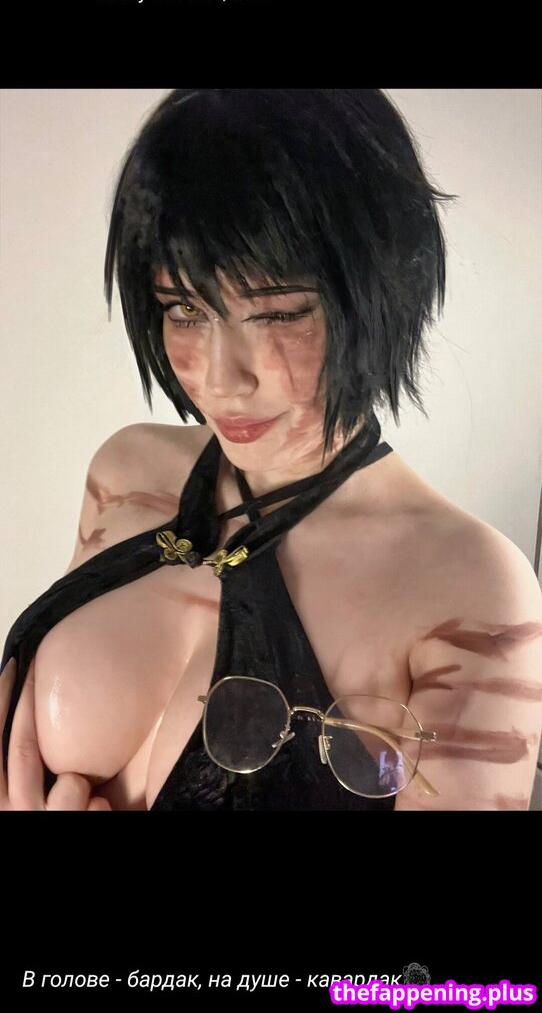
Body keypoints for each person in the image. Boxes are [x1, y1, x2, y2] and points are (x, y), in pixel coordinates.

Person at [2, 89, 541, 811]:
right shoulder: (127, 473)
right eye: (185, 309)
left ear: (381, 298)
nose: (221, 380)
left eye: (280, 313)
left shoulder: (472, 591)